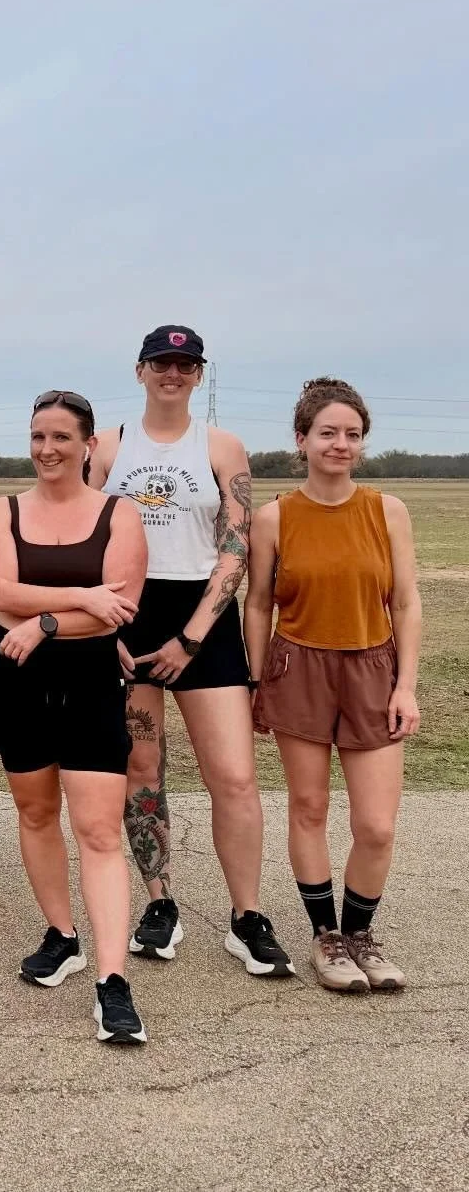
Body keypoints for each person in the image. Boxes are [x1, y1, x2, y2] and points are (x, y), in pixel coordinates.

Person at [92, 325, 293, 977]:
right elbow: (87, 541)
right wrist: (112, 630)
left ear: (199, 374)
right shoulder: (109, 447)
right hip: (126, 613)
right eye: (161, 362)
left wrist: (191, 636)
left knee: (233, 776)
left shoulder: (223, 446)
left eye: (184, 364)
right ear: (140, 369)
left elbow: (235, 547)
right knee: (142, 769)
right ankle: (160, 904)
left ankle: (246, 915)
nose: (171, 373)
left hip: (202, 619)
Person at [0, 390, 151, 1043]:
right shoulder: (7, 513)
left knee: (100, 829)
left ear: (88, 446)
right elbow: (1, 592)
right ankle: (63, 933)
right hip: (17, 680)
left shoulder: (119, 515)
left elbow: (124, 607)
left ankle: (113, 980)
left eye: (60, 437)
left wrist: (46, 620)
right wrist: (82, 594)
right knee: (35, 811)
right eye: (37, 436)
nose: (47, 449)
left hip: (89, 679)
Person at [245, 379, 421, 993]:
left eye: (352, 434)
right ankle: (328, 939)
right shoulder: (274, 517)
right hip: (300, 668)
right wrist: (257, 677)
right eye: (328, 433)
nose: (340, 444)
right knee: (310, 807)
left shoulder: (386, 510)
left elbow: (405, 601)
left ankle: (361, 934)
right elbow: (258, 603)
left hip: (374, 668)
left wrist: (407, 686)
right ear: (302, 439)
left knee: (376, 825)